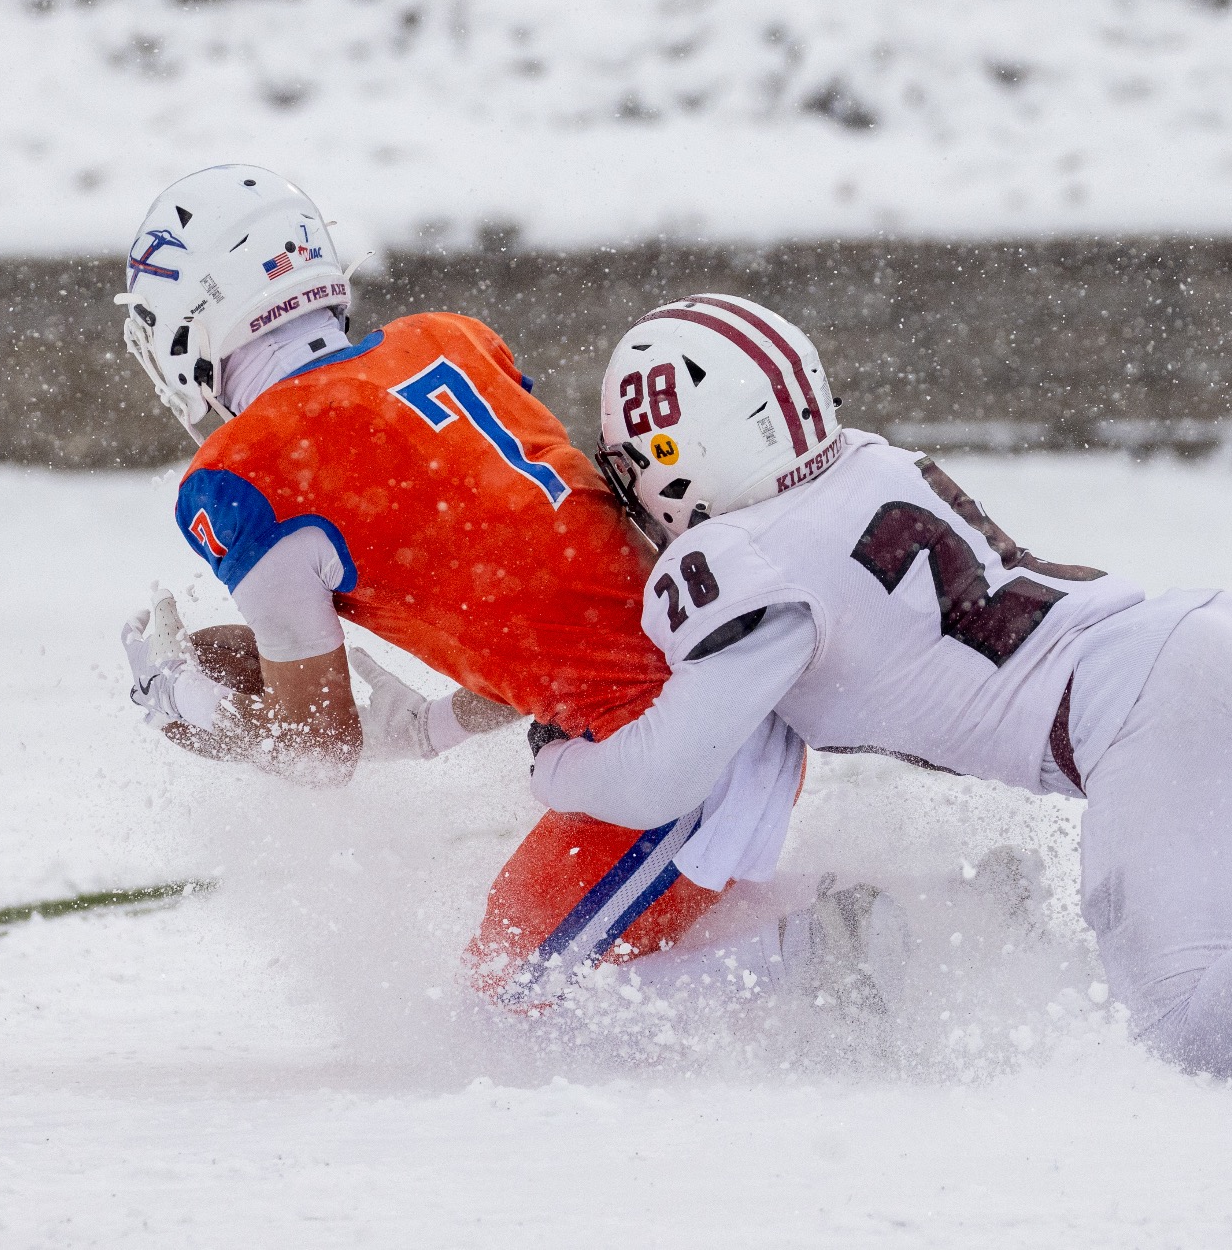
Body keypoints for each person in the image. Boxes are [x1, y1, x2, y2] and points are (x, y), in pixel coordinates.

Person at [527, 292, 1232, 1077]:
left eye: (640, 464)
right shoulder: (864, 459)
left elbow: (662, 774)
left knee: (1190, 1028)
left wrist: (555, 757)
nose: (636, 493)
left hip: (1161, 704)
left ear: (686, 450)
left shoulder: (738, 558)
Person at [109, 165, 889, 1008]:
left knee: (511, 1010)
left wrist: (186, 699)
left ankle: (826, 956)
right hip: (720, 692)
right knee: (582, 954)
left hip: (669, 753)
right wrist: (434, 726)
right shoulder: (448, 340)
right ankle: (919, 922)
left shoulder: (246, 473)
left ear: (196, 314)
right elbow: (549, 589)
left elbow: (318, 750)